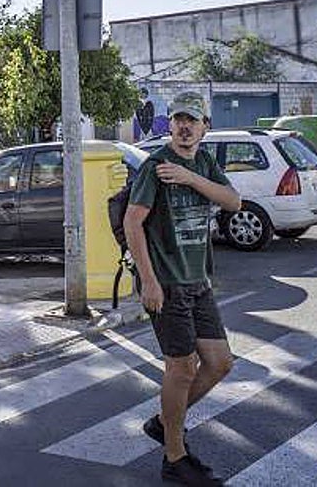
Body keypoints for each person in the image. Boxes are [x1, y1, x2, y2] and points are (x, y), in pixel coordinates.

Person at [124, 91, 242, 486]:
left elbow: (233, 202)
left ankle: (164, 422)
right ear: (170, 124)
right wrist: (150, 280)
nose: (184, 126)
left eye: (192, 119)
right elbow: (132, 223)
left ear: (205, 126)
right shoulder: (156, 167)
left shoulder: (204, 161)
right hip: (168, 283)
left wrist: (192, 177)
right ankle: (174, 459)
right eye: (178, 119)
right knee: (182, 367)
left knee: (220, 362)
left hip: (198, 280)